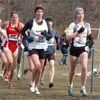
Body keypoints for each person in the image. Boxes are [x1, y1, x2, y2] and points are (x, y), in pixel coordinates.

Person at [21, 5, 52, 94]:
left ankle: (35, 86)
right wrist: (27, 37)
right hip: (33, 47)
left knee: (40, 69)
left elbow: (50, 35)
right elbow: (22, 31)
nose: (39, 13)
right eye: (38, 11)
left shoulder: (46, 23)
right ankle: (32, 82)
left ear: (43, 13)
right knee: (37, 66)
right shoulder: (31, 22)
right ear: (35, 13)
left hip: (43, 47)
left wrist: (46, 35)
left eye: (41, 12)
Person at [66, 7, 92, 96]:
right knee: (73, 71)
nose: (80, 15)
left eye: (82, 13)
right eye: (78, 14)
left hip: (83, 48)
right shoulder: (73, 25)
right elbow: (68, 37)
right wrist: (76, 34)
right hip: (74, 48)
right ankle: (70, 85)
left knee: (84, 67)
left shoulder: (87, 25)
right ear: (76, 15)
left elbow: (90, 36)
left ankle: (83, 88)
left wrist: (90, 43)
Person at [3, 12, 24, 88]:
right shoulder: (7, 24)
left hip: (16, 46)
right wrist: (2, 33)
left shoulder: (21, 25)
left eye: (16, 17)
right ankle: (7, 73)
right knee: (10, 61)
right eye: (13, 17)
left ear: (18, 18)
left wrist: (22, 38)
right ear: (11, 17)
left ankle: (10, 81)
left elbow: (25, 33)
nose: (15, 18)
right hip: (7, 46)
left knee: (14, 67)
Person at [40, 16, 59, 88]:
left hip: (51, 50)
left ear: (52, 23)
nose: (49, 23)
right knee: (42, 67)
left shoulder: (54, 31)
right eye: (47, 22)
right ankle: (41, 77)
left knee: (52, 64)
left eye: (50, 22)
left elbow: (57, 38)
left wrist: (58, 45)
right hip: (43, 50)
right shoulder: (42, 30)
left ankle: (51, 81)